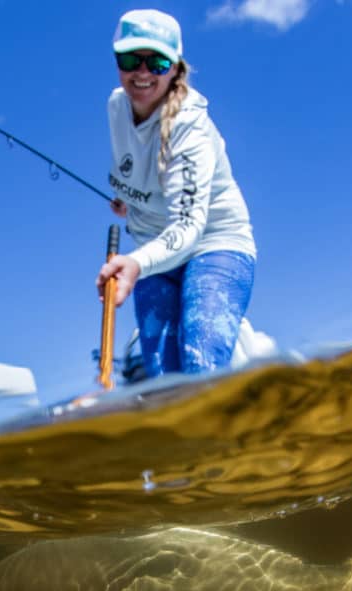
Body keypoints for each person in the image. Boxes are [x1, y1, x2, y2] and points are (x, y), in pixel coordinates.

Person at [96, 9, 257, 378]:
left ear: (175, 68)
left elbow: (189, 225)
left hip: (216, 243)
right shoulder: (116, 106)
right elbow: (134, 165)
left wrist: (135, 263)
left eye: (157, 62)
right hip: (154, 246)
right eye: (130, 59)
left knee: (200, 363)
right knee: (163, 380)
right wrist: (130, 199)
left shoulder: (191, 127)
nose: (141, 72)